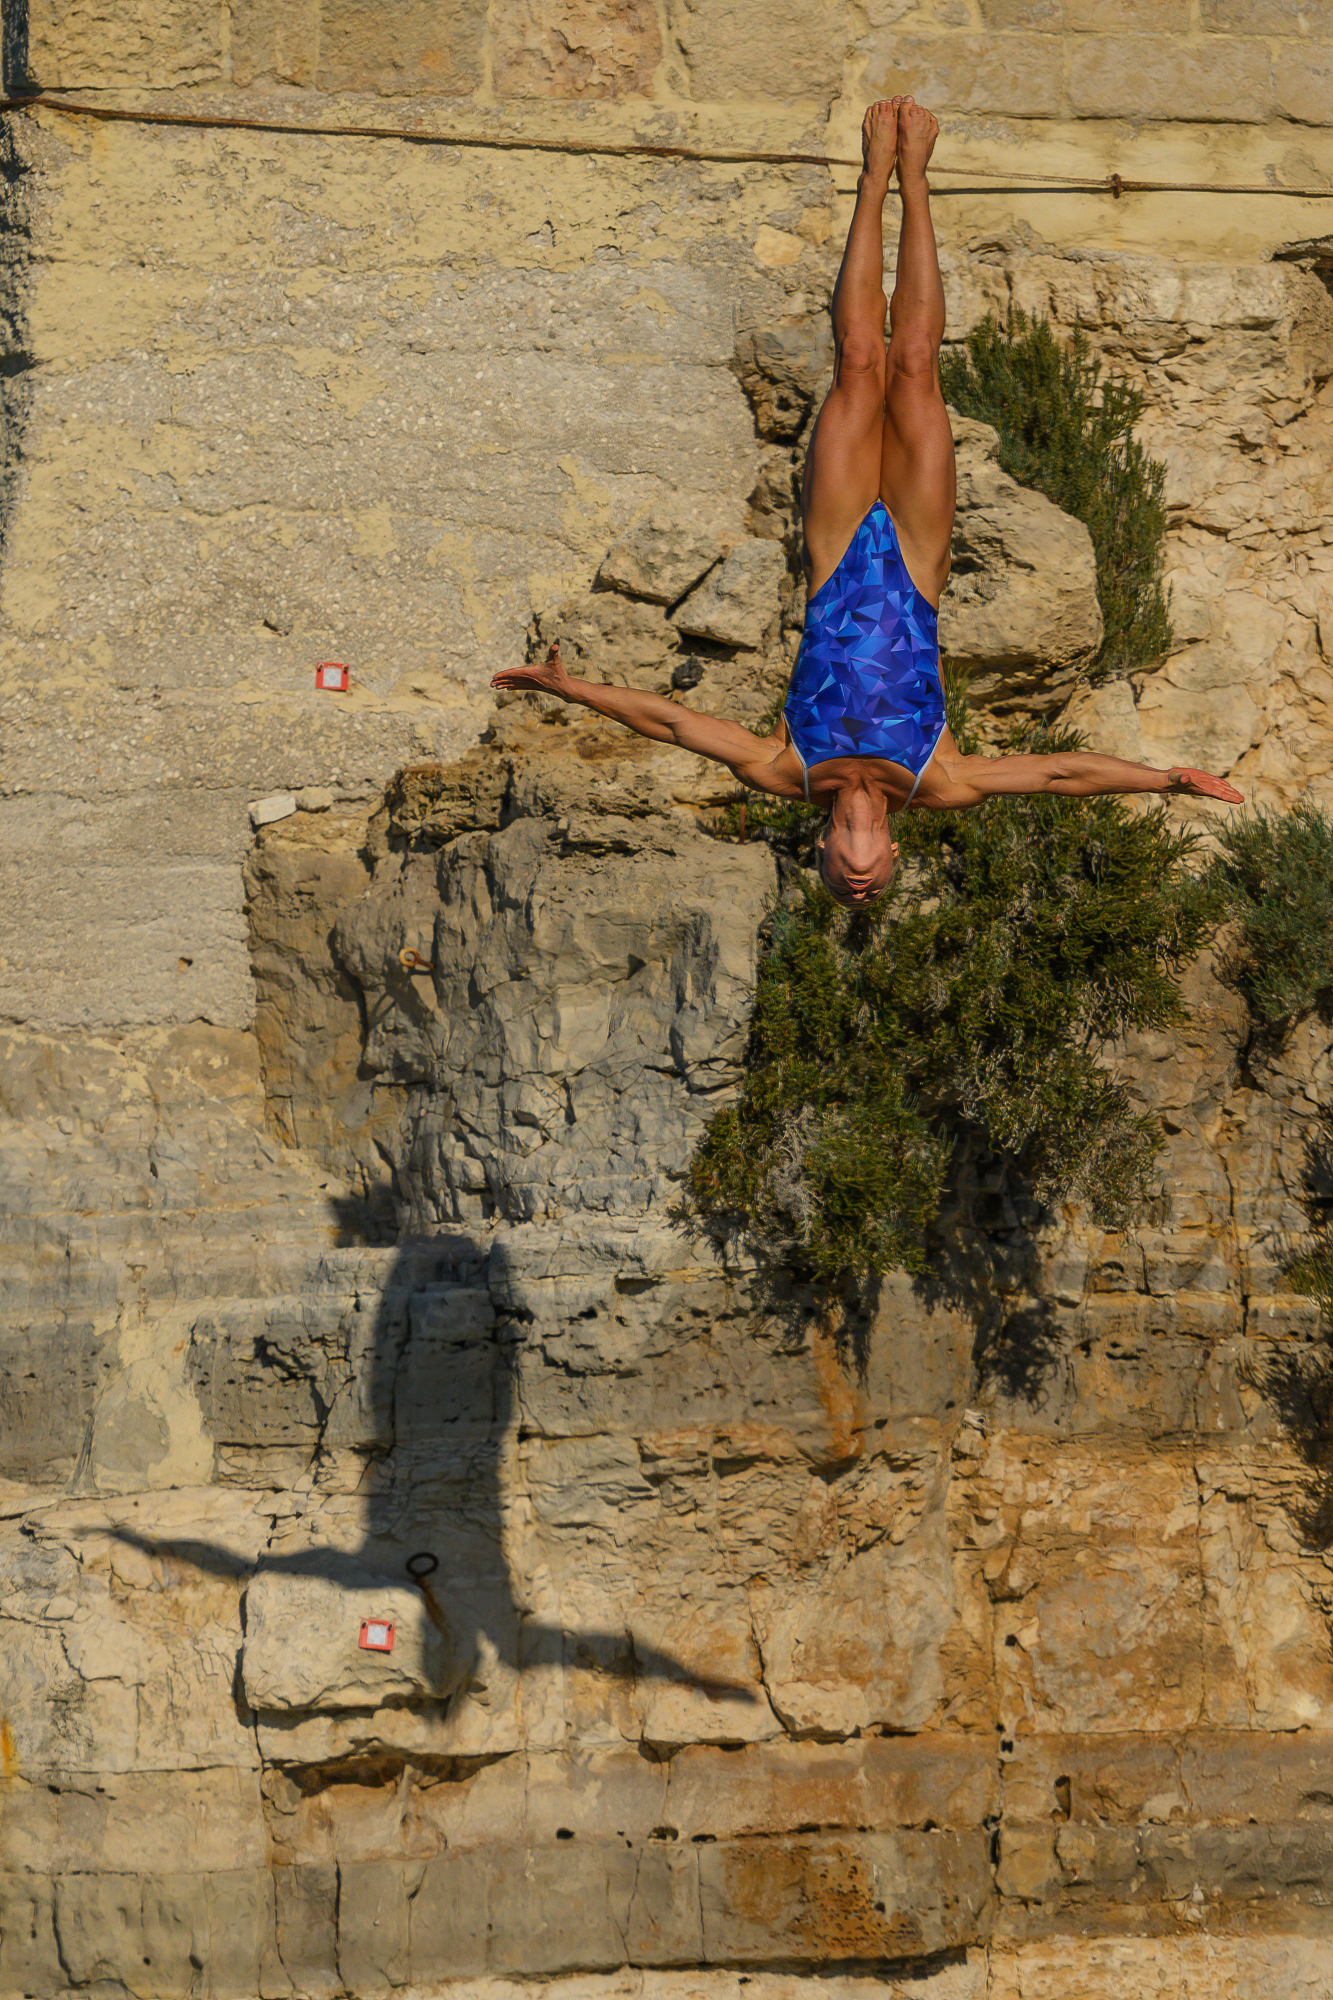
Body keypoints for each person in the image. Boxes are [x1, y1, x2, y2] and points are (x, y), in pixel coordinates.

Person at [492, 97, 1242, 908]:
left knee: (858, 362)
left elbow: (672, 724)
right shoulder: (939, 779)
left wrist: (575, 692)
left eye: (843, 883)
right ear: (889, 851)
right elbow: (1062, 773)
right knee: (913, 364)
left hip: (835, 548)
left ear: (820, 852)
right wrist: (1161, 779)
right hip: (916, 563)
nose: (857, 883)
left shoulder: (784, 767)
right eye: (872, 884)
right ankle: (914, 180)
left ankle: (870, 179)